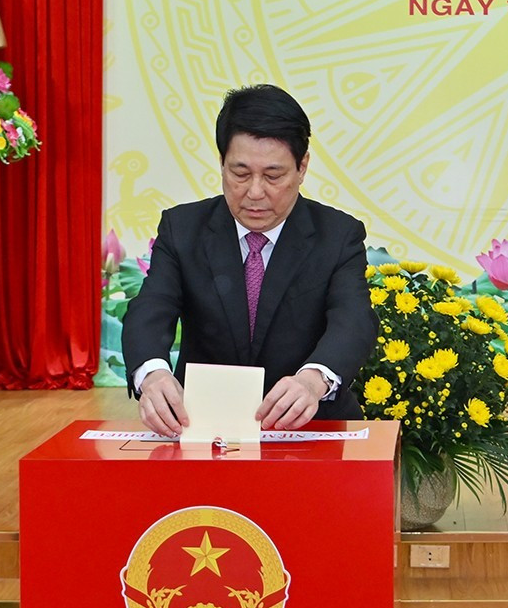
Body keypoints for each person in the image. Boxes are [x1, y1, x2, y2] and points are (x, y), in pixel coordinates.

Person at [122, 84, 377, 435]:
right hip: (200, 427)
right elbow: (151, 307)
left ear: (302, 167)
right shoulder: (183, 229)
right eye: (240, 173)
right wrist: (152, 374)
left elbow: (353, 319)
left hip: (311, 428)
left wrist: (314, 380)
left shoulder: (337, 235)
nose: (255, 192)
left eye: (273, 176)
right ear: (222, 163)